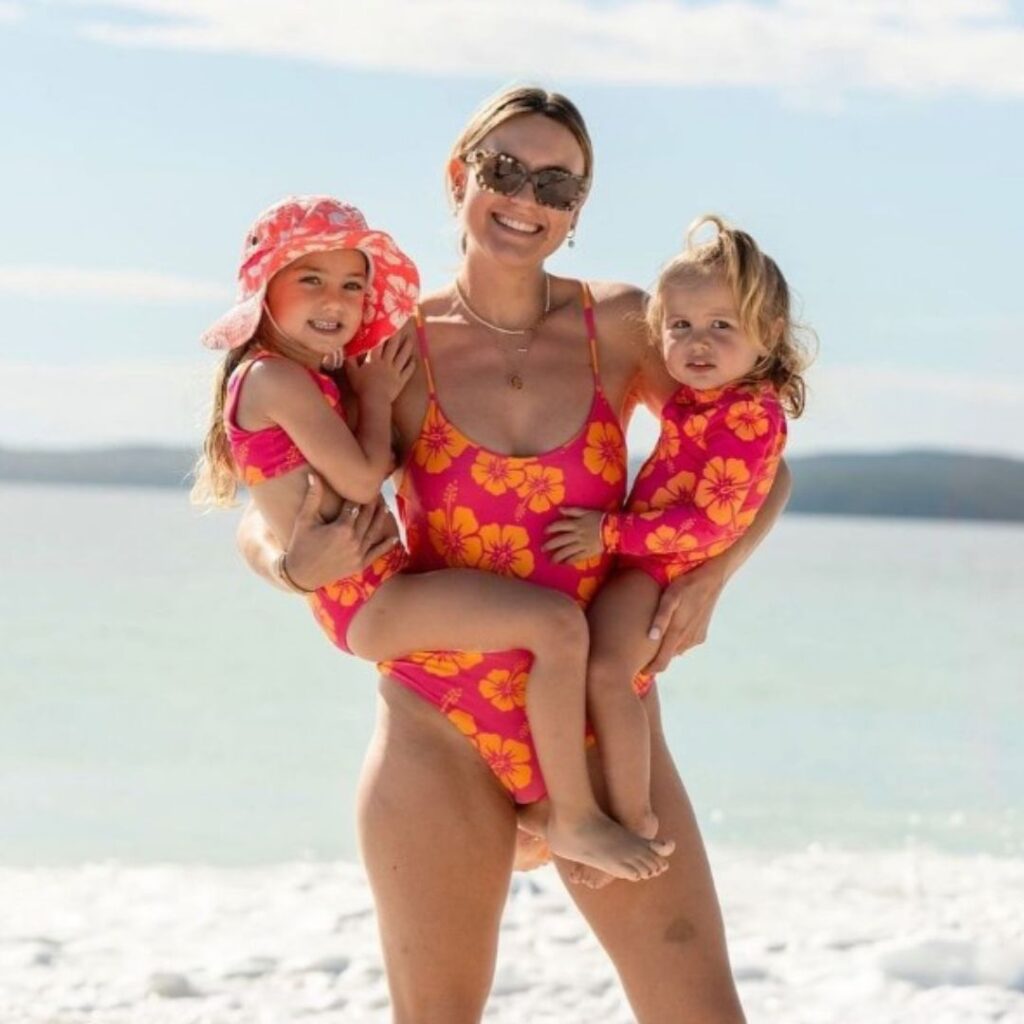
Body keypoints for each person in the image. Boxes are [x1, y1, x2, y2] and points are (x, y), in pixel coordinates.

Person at [237, 88, 792, 1023]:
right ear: (459, 178)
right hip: (438, 725)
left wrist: (710, 581)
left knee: (701, 1012)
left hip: (599, 730)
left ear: (578, 210)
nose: (526, 198)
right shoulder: (388, 349)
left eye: (557, 184)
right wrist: (294, 566)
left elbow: (759, 463)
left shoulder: (623, 327)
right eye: (503, 170)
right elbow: (271, 503)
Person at [194, 194, 673, 882]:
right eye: (312, 280)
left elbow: (366, 466)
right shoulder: (273, 378)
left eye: (353, 285)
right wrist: (382, 400)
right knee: (558, 626)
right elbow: (362, 478)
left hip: (374, 591)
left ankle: (538, 811)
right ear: (265, 288)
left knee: (551, 628)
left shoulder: (305, 376)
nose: (337, 300)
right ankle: (570, 815)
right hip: (368, 600)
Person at [544, 214, 810, 880]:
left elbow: (710, 523)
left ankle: (633, 820)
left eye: (722, 326)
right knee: (597, 681)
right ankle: (599, 812)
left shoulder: (751, 414)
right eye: (680, 326)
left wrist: (608, 533)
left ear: (768, 336)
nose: (697, 342)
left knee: (609, 677)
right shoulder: (706, 399)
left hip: (660, 569)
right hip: (645, 559)